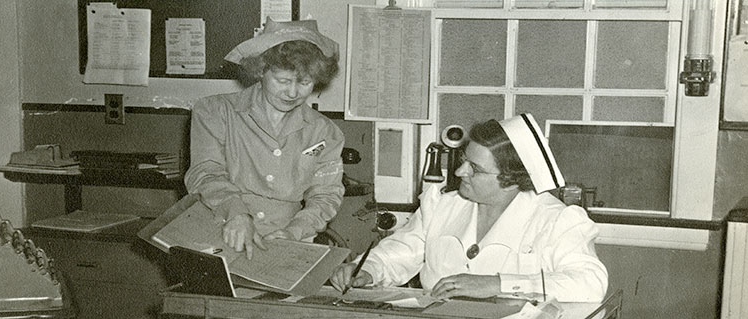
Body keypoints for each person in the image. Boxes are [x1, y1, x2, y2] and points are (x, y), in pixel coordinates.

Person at [330, 114, 608, 303]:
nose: (460, 171)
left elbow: (590, 283)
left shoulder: (557, 219)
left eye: (474, 168)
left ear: (510, 180)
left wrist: (498, 284)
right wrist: (368, 270)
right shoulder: (443, 202)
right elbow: (404, 250)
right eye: (464, 159)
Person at [181, 18, 345, 259]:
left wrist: (294, 232)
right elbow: (205, 172)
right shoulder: (215, 111)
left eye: (304, 83)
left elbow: (325, 195)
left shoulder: (325, 132)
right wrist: (236, 213)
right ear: (261, 71)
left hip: (287, 244)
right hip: (219, 233)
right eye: (283, 81)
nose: (292, 92)